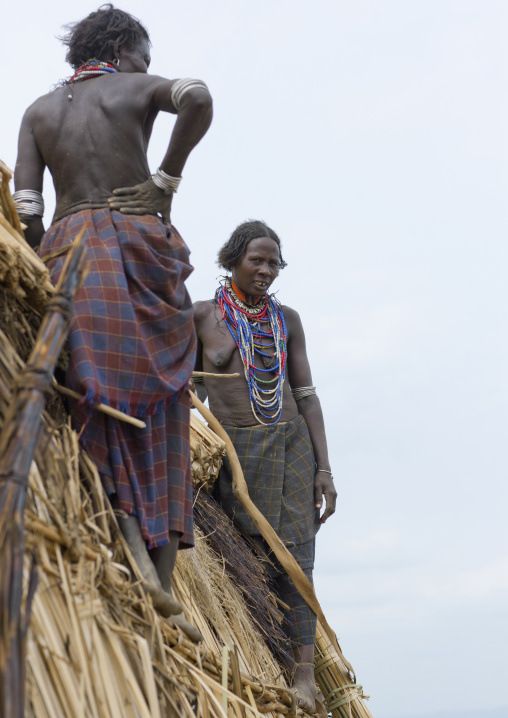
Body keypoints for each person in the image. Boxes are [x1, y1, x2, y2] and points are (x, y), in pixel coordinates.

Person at [14, 4, 212, 639]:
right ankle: (160, 573)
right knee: (165, 404)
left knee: (96, 397)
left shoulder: (39, 113)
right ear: (124, 49)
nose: (147, 69)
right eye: (145, 57)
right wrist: (165, 180)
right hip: (139, 240)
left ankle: (129, 539)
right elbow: (199, 97)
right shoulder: (136, 87)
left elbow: (25, 207)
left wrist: (49, 257)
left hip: (74, 252)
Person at [193, 220, 337, 711]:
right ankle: (256, 655)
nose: (266, 270)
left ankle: (304, 675)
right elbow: (188, 392)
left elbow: (306, 395)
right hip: (235, 452)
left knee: (299, 559)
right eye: (257, 259)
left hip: (293, 446)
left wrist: (325, 468)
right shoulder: (201, 317)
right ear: (232, 259)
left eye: (274, 262)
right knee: (242, 554)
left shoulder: (287, 319)